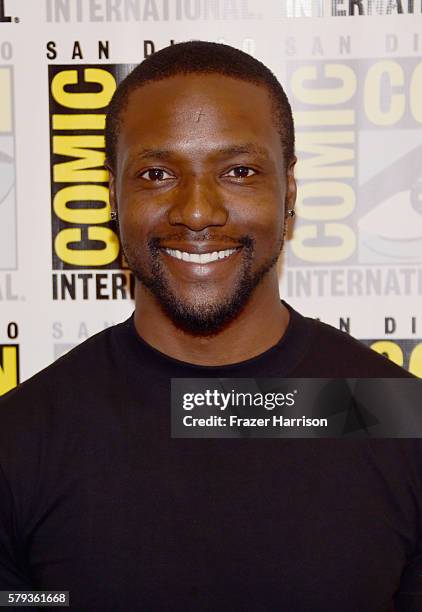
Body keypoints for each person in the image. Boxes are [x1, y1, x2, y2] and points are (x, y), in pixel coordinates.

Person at [0, 41, 419, 611]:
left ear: (289, 191)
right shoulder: (21, 439)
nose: (197, 211)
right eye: (155, 173)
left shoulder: (392, 416)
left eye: (239, 171)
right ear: (113, 196)